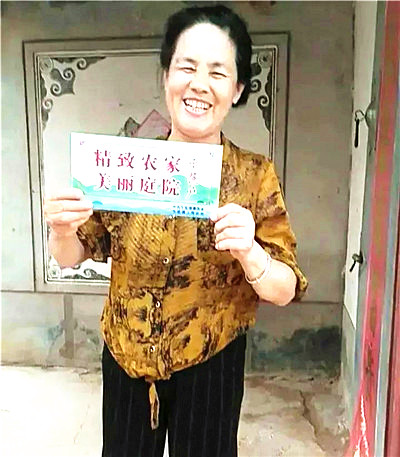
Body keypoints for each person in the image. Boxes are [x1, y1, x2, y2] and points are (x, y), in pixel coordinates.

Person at [44, 4, 308, 457]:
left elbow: (285, 289)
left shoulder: (253, 177)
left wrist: (251, 254)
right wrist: (62, 229)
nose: (199, 84)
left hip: (211, 363)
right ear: (166, 76)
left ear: (237, 89)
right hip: (127, 359)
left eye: (218, 72)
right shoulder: (126, 167)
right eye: (186, 67)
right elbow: (71, 254)